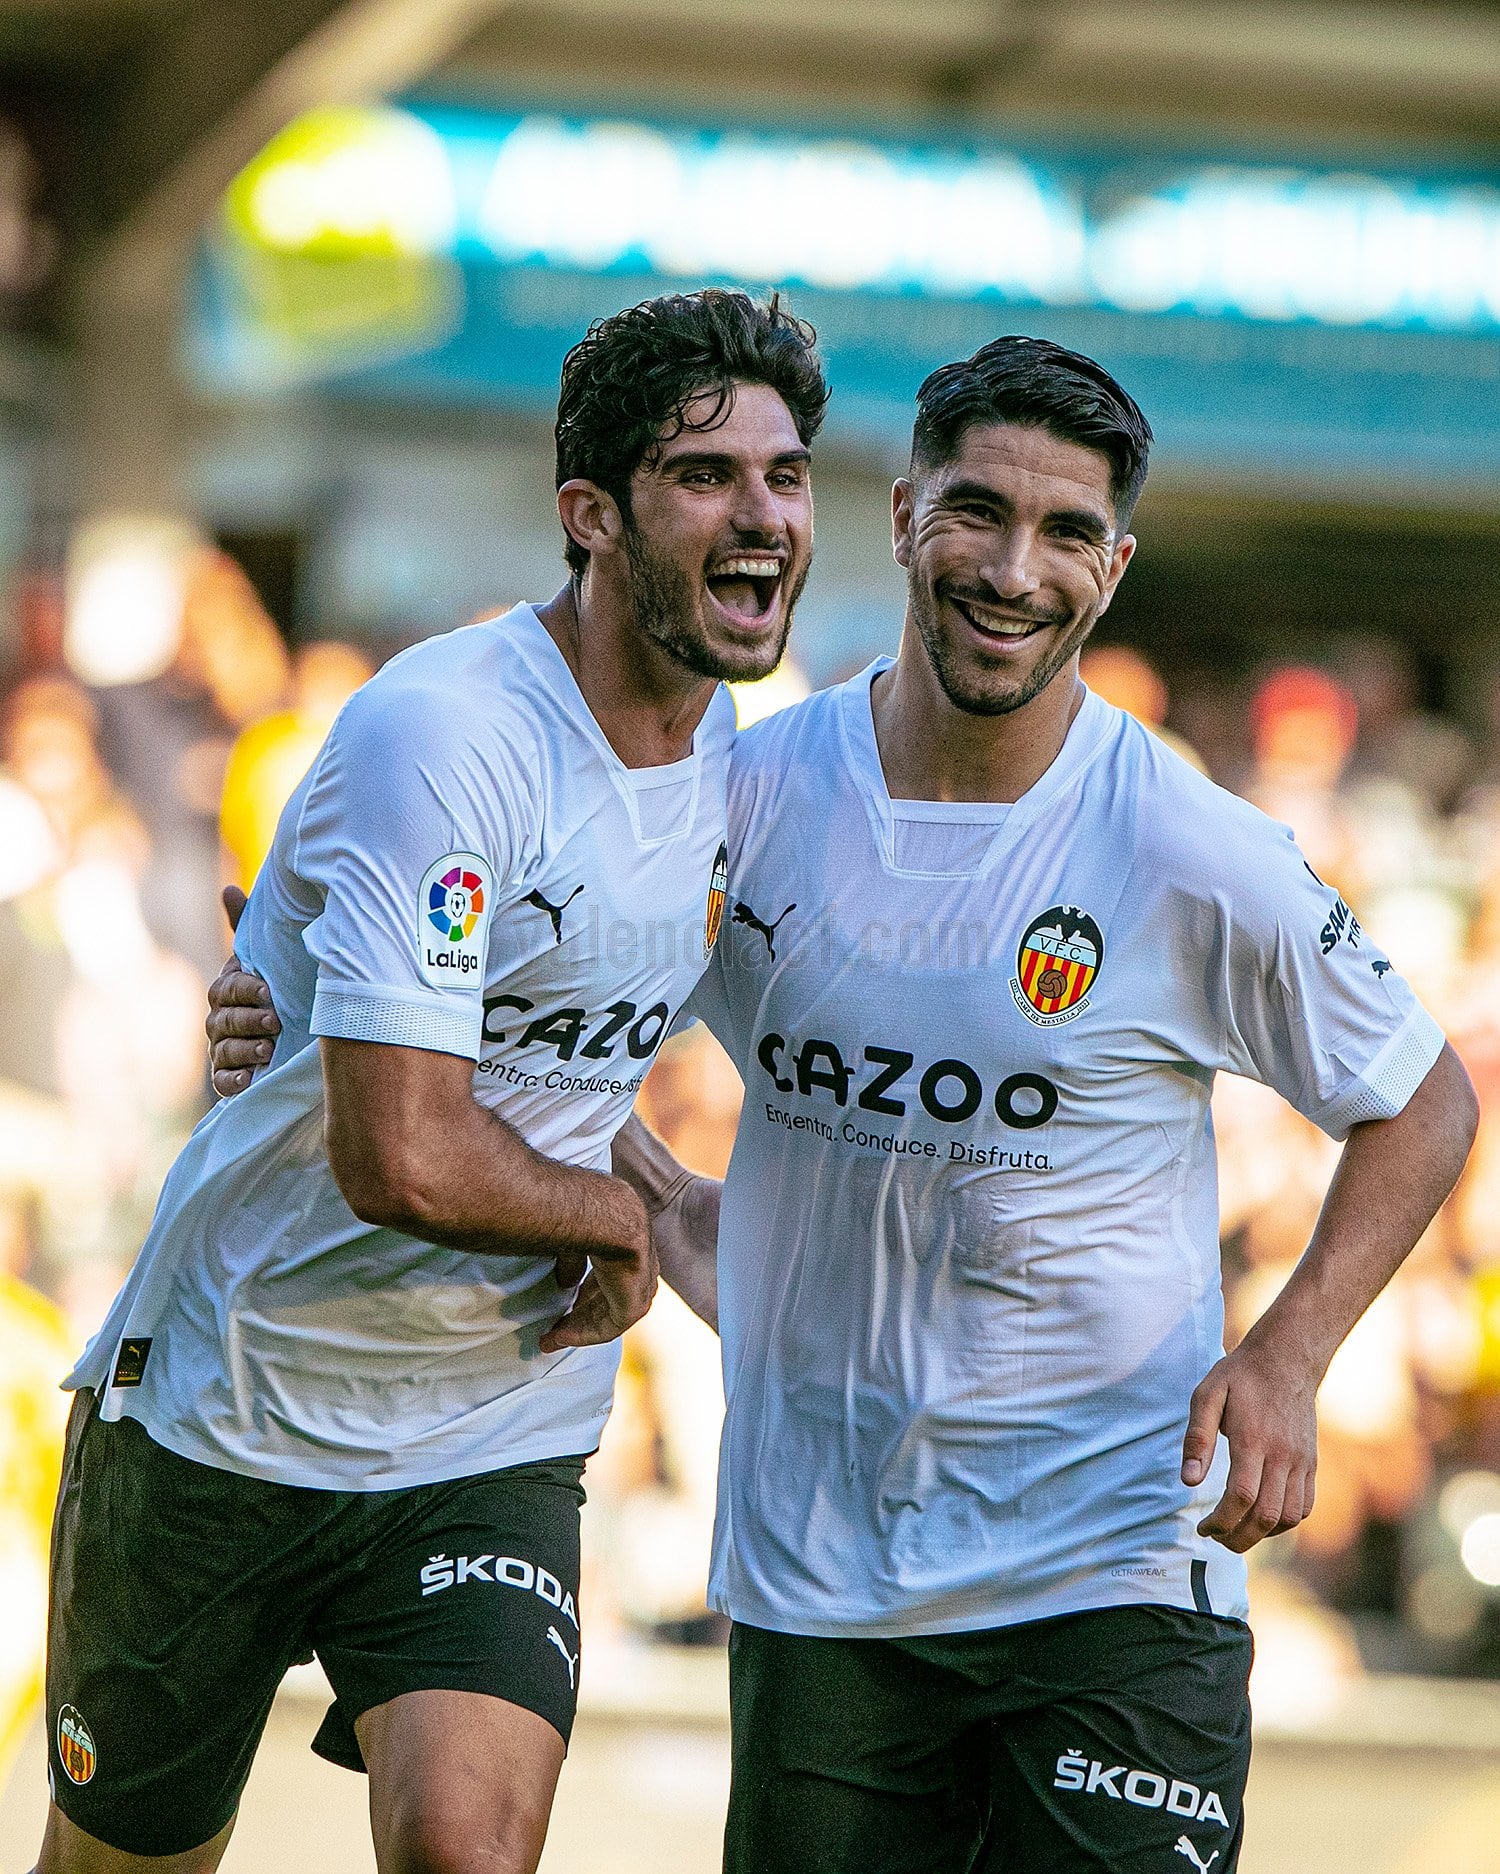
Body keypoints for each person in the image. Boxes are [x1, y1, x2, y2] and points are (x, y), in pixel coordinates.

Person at [210, 338, 1479, 1874]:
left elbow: (1423, 1099)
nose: (1016, 571)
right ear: (898, 515)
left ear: (1117, 565)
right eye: (979, 513)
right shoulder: (747, 795)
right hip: (822, 1585)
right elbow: (509, 1021)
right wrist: (303, 1011)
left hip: (1113, 1568)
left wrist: (1286, 1356)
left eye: (1069, 533)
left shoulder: (1190, 846)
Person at [37, 289, 824, 1874]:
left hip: (489, 1422)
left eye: (787, 475)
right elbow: (395, 1150)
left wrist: (663, 1202)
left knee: (469, 1854)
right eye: (706, 476)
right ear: (590, 517)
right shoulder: (448, 731)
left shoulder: (758, 768)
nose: (762, 516)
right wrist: (623, 1226)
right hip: (228, 1405)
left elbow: (570, 1054)